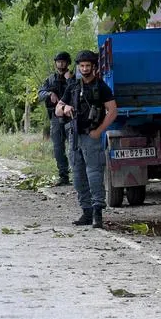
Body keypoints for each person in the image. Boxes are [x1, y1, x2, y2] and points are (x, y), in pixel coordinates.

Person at [56, 50, 117, 229]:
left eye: (87, 66)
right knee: (77, 176)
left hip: (91, 136)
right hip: (74, 136)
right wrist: (65, 107)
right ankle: (86, 211)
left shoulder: (101, 86)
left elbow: (113, 110)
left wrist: (99, 131)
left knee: (94, 174)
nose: (84, 69)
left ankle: (98, 212)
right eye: (81, 66)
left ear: (94, 67)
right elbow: (58, 109)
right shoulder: (73, 86)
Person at [37, 51, 73, 185]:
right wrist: (49, 93)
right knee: (58, 148)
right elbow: (40, 93)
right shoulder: (50, 79)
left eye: (63, 61)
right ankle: (63, 176)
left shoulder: (74, 77)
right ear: (55, 63)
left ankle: (78, 176)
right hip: (56, 118)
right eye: (58, 61)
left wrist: (69, 79)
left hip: (71, 117)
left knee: (74, 147)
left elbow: (78, 90)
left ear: (68, 63)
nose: (61, 64)